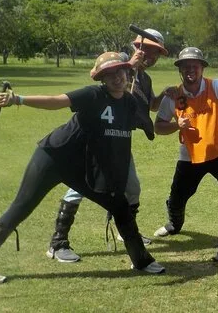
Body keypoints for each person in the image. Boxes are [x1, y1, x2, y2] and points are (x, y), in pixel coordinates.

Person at [0, 52, 165, 284]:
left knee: (119, 205)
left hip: (81, 165)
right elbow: (56, 101)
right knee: (22, 206)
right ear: (102, 78)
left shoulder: (129, 103)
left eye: (120, 71)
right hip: (53, 156)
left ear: (127, 72)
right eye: (109, 74)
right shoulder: (93, 94)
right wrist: (18, 99)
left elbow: (120, 144)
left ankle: (141, 260)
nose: (116, 77)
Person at [46, 28, 172, 263]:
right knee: (81, 187)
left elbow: (150, 106)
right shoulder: (121, 61)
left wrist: (164, 94)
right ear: (139, 46)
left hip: (119, 142)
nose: (152, 57)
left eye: (157, 53)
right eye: (150, 50)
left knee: (131, 188)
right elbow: (94, 76)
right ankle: (57, 242)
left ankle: (126, 232)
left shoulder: (145, 78)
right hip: (96, 140)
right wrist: (129, 66)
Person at [152, 47, 218, 257]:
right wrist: (177, 125)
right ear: (180, 70)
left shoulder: (217, 86)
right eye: (186, 66)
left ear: (202, 68)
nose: (190, 70)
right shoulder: (173, 95)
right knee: (177, 197)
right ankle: (174, 224)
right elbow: (158, 127)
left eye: (195, 66)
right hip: (190, 156)